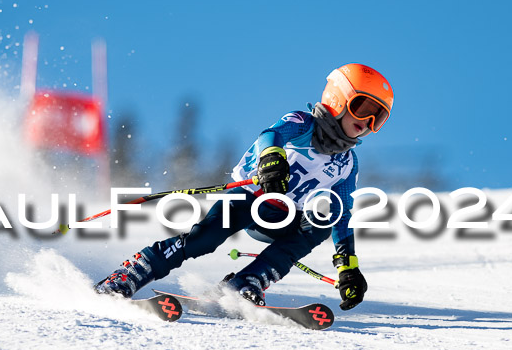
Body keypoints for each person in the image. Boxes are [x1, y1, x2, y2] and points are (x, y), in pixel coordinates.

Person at [94, 63, 394, 310]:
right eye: (362, 108)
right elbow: (271, 135)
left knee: (320, 224)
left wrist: (348, 268)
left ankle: (246, 283)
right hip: (249, 197)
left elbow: (342, 214)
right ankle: (133, 273)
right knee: (205, 239)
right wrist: (272, 160)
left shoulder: (347, 164)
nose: (367, 121)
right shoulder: (303, 125)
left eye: (377, 117)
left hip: (282, 218)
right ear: (338, 99)